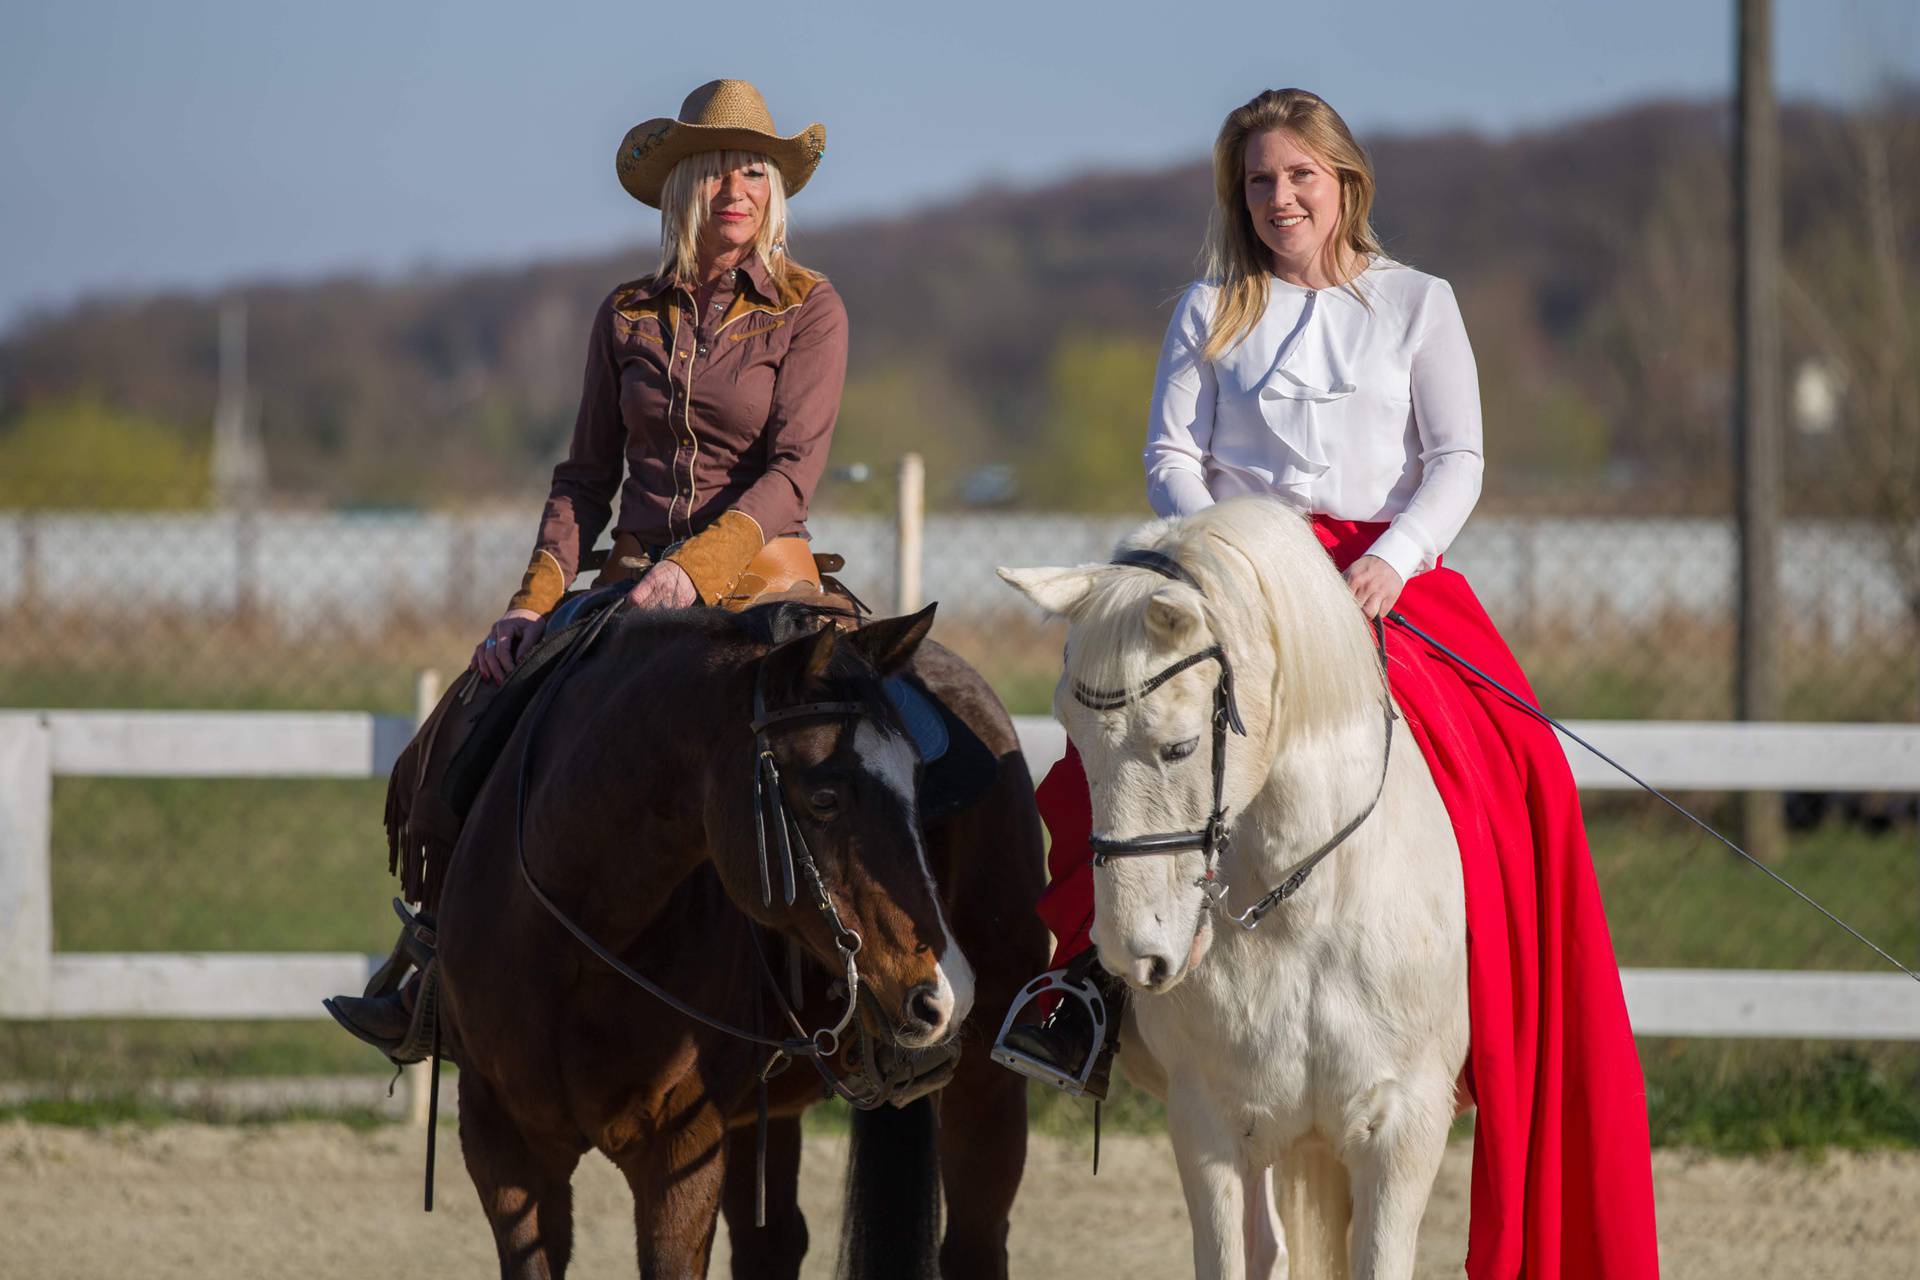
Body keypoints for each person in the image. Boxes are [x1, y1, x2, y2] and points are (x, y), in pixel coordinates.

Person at [1001, 88, 1659, 1279]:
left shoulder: (1418, 303)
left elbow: (1456, 459)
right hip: (1235, 577)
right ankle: (1078, 1000)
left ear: (1342, 181)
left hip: (1378, 584)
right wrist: (1237, 560)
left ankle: (1511, 1012)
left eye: (1298, 176)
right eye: (1258, 183)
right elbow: (1169, 453)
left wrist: (1394, 563)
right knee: (1105, 748)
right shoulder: (1211, 305)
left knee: (1521, 767)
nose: (1279, 199)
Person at [325, 79, 848, 1056]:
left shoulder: (810, 310)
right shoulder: (626, 315)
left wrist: (697, 570)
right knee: (466, 730)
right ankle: (436, 967)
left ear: (775, 189)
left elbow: (792, 470)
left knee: (867, 745)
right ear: (681, 183)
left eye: (754, 167)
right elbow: (584, 478)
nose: (736, 184)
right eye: (715, 164)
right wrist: (529, 604)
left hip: (766, 573)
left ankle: (887, 985)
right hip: (627, 579)